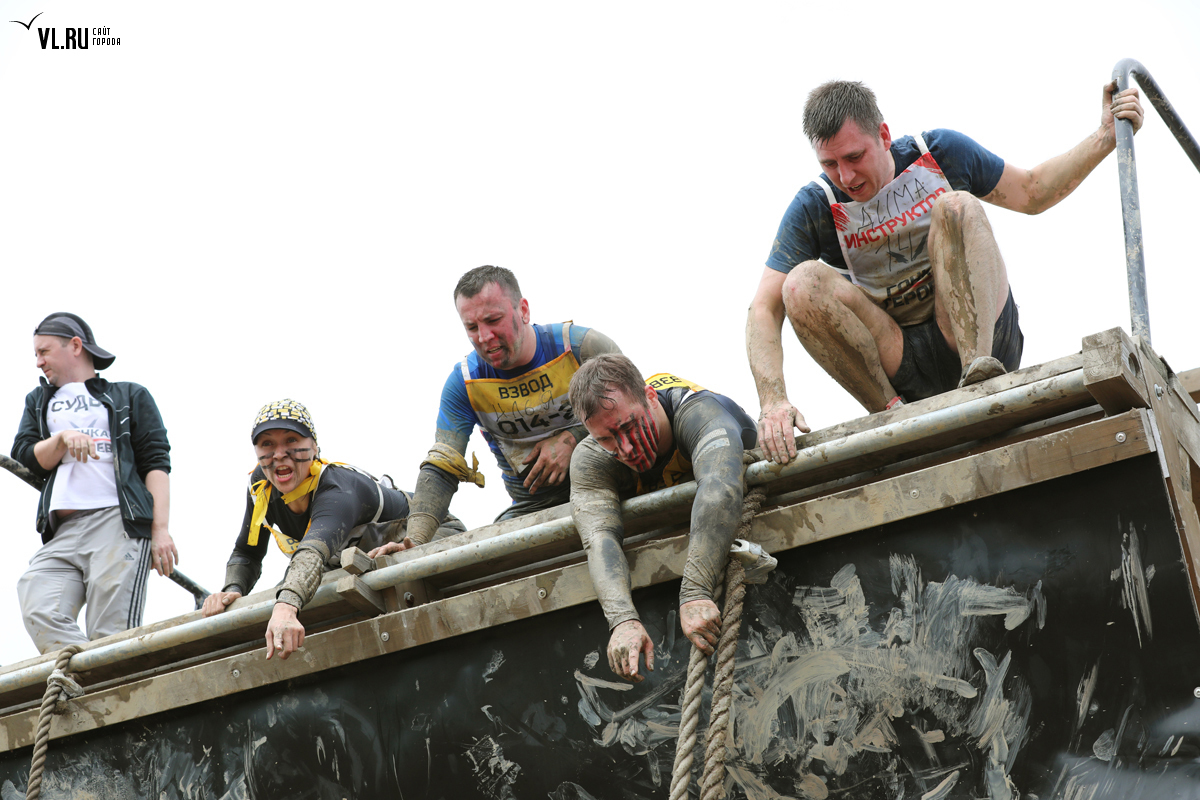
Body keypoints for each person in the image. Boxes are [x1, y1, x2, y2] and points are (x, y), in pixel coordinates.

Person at [747, 79, 1145, 464]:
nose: (846, 177)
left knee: (956, 205)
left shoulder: (939, 152)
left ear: (883, 136)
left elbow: (1032, 191)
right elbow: (763, 308)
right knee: (800, 284)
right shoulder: (816, 205)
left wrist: (1104, 137)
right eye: (830, 164)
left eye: (854, 157)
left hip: (972, 334)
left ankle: (978, 378)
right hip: (900, 357)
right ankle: (891, 416)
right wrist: (772, 400)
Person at [371, 265, 622, 557]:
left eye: (493, 320)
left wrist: (575, 439)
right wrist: (414, 539)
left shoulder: (581, 347)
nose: (484, 336)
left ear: (523, 310)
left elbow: (639, 412)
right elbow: (442, 465)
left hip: (615, 480)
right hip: (533, 506)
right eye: (472, 327)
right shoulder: (464, 383)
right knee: (485, 559)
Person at [201, 399, 464, 660]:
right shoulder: (261, 487)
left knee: (292, 595)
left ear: (314, 447)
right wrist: (232, 589)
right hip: (349, 560)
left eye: (291, 440)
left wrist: (286, 606)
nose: (279, 454)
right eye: (267, 444)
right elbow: (247, 552)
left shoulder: (336, 488)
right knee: (281, 598)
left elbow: (313, 552)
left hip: (432, 535)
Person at [567, 354, 757, 682]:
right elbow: (598, 536)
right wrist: (622, 620)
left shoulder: (701, 413)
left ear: (650, 397)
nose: (625, 448)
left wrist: (695, 592)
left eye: (629, 427)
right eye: (606, 439)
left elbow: (720, 487)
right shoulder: (592, 457)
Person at [12, 312, 177, 654]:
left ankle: (107, 675)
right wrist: (62, 439)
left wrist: (160, 530)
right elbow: (25, 455)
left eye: (43, 352)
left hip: (118, 523)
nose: (38, 362)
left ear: (75, 346)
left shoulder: (130, 394)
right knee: (38, 600)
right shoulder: (39, 401)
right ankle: (92, 673)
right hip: (63, 530)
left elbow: (156, 463)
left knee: (111, 632)